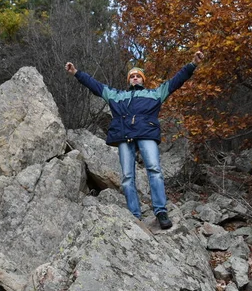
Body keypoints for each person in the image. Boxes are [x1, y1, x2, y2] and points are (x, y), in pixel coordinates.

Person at [65, 51, 204, 229]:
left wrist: (192, 64)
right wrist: (77, 73)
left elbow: (176, 81)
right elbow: (96, 86)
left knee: (154, 170)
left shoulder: (155, 94)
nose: (135, 78)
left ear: (143, 80)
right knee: (127, 177)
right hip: (125, 136)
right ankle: (134, 215)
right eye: (132, 76)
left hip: (146, 134)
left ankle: (161, 211)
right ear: (129, 80)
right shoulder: (117, 95)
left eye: (138, 76)